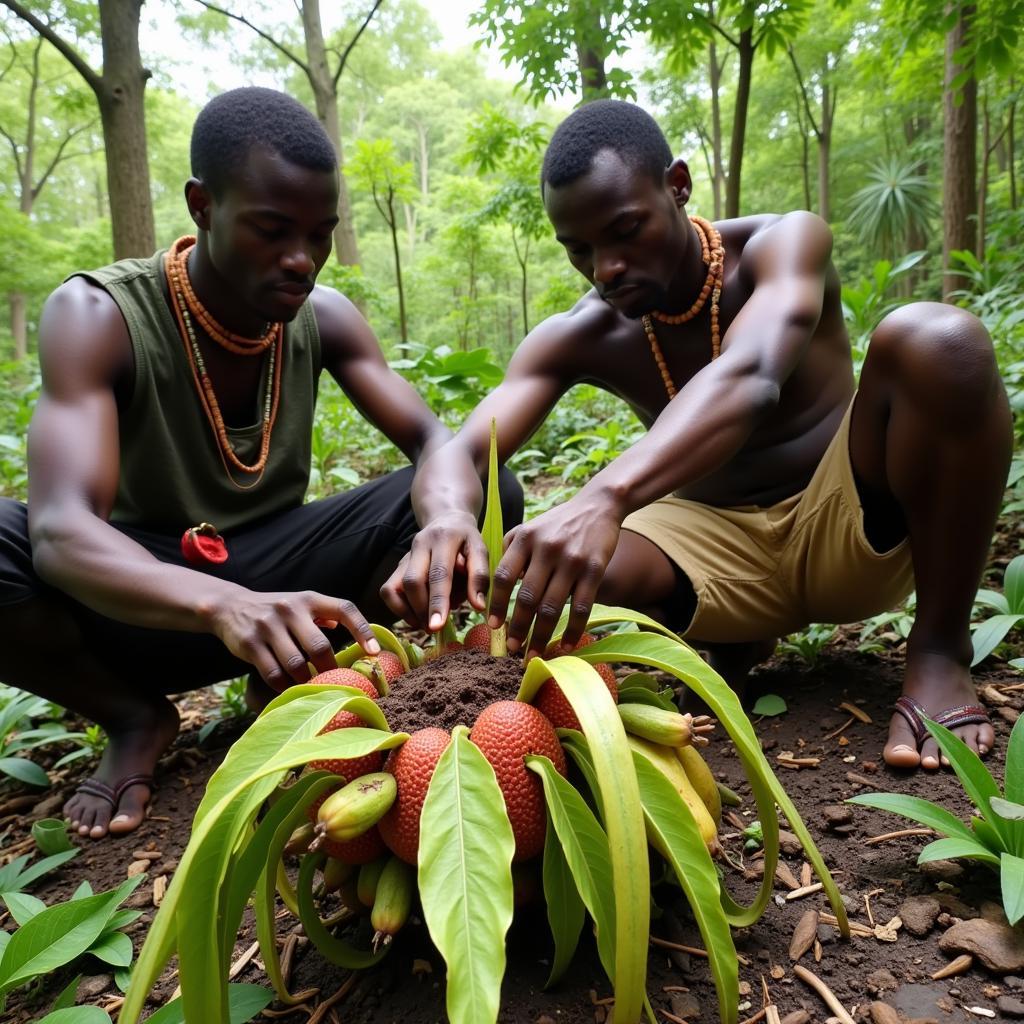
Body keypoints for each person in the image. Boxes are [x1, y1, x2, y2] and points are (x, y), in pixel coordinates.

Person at [383, 99, 1011, 775]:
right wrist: (447, 518)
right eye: (580, 250)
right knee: (550, 573)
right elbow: (463, 448)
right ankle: (735, 639)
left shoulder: (780, 245)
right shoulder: (582, 332)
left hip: (851, 520)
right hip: (716, 551)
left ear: (677, 185)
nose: (605, 268)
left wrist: (604, 495)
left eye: (625, 231)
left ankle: (941, 652)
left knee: (938, 341)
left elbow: (749, 376)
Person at [0, 87, 522, 839]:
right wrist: (222, 604)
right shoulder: (99, 316)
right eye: (272, 230)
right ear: (203, 205)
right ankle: (132, 716)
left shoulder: (327, 318)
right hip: (144, 599)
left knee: (483, 486)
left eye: (319, 234)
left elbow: (435, 443)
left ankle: (316, 684)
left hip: (285, 582)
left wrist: (444, 517)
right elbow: (59, 531)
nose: (301, 260)